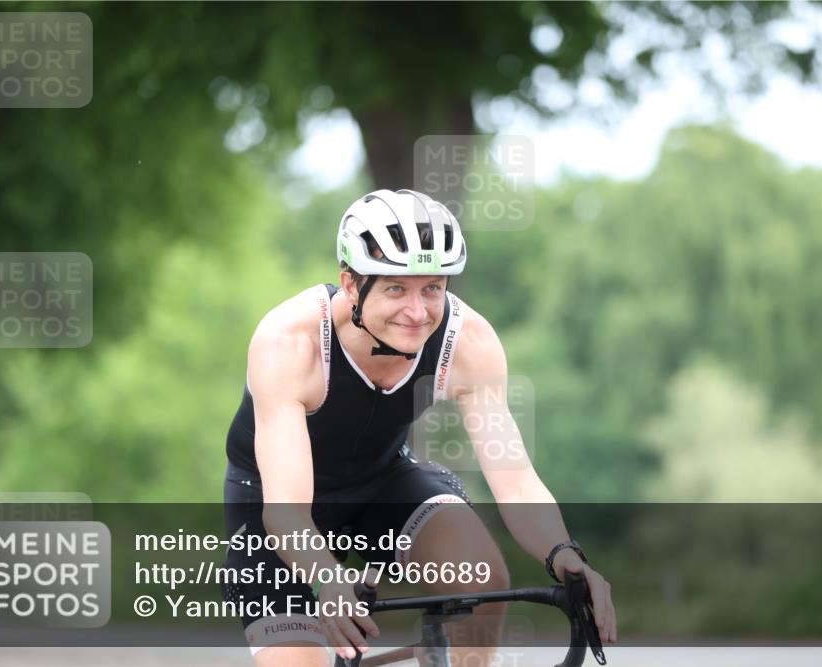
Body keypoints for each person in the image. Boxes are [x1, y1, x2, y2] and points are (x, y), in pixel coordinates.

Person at [223, 188, 617, 666]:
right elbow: (286, 512)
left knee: (482, 578)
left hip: (382, 479)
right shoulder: (290, 341)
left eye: (432, 287)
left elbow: (514, 481)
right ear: (351, 284)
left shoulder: (467, 341)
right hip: (274, 506)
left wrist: (563, 555)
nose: (418, 311)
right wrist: (327, 578)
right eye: (396, 288)